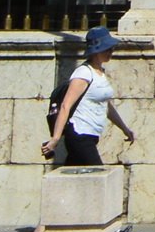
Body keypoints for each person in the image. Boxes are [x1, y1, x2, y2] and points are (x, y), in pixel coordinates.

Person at [45, 27, 136, 166]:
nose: (111, 52)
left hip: (91, 135)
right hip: (79, 134)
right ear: (96, 51)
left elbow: (106, 106)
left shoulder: (100, 73)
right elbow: (65, 106)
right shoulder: (83, 73)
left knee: (74, 178)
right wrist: (55, 139)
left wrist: (124, 129)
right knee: (97, 176)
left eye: (112, 49)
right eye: (107, 49)